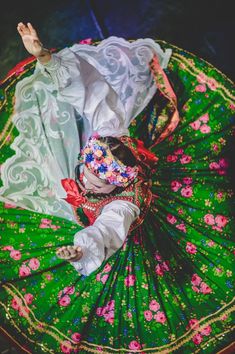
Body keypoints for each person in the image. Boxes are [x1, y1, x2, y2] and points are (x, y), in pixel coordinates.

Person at [0, 22, 234, 354]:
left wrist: (81, 249)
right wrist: (45, 58)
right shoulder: (108, 130)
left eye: (95, 181)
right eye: (86, 169)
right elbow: (90, 90)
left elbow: (107, 232)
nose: (85, 178)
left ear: (114, 186)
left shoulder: (123, 205)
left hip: (113, 225)